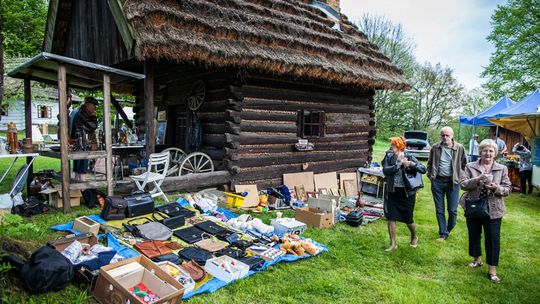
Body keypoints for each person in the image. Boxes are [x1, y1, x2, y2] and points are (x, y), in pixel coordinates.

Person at [460, 139, 511, 283]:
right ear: (480, 152)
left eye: (491, 151)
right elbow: (463, 185)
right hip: (474, 206)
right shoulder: (470, 166)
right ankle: (477, 260)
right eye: (485, 150)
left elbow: (508, 189)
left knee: (493, 239)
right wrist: (477, 179)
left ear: (495, 153)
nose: (488, 153)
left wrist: (496, 188)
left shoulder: (502, 168)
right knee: (474, 234)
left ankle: (492, 270)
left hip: (494, 209)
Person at [382, 136, 426, 251]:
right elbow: (385, 170)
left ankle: (414, 236)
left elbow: (423, 169)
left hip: (407, 193)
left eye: (393, 145)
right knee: (391, 218)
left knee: (408, 219)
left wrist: (411, 164)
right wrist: (397, 165)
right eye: (391, 144)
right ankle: (393, 244)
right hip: (393, 191)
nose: (391, 147)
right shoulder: (389, 156)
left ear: (399, 146)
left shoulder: (409, 156)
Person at [427, 126, 467, 241]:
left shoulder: (459, 148)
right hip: (438, 181)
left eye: (447, 135)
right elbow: (429, 163)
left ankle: (448, 228)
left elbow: (465, 164)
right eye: (443, 135)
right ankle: (443, 233)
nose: (445, 137)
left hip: (453, 182)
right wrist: (431, 176)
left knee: (452, 210)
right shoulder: (435, 147)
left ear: (452, 136)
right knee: (439, 209)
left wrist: (460, 177)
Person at [69, 97, 98, 181]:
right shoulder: (82, 114)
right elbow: (92, 126)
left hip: (78, 142)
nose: (94, 108)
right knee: (82, 168)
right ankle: (82, 189)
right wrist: (93, 117)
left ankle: (78, 188)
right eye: (94, 106)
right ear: (88, 105)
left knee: (78, 167)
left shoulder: (78, 111)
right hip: (81, 143)